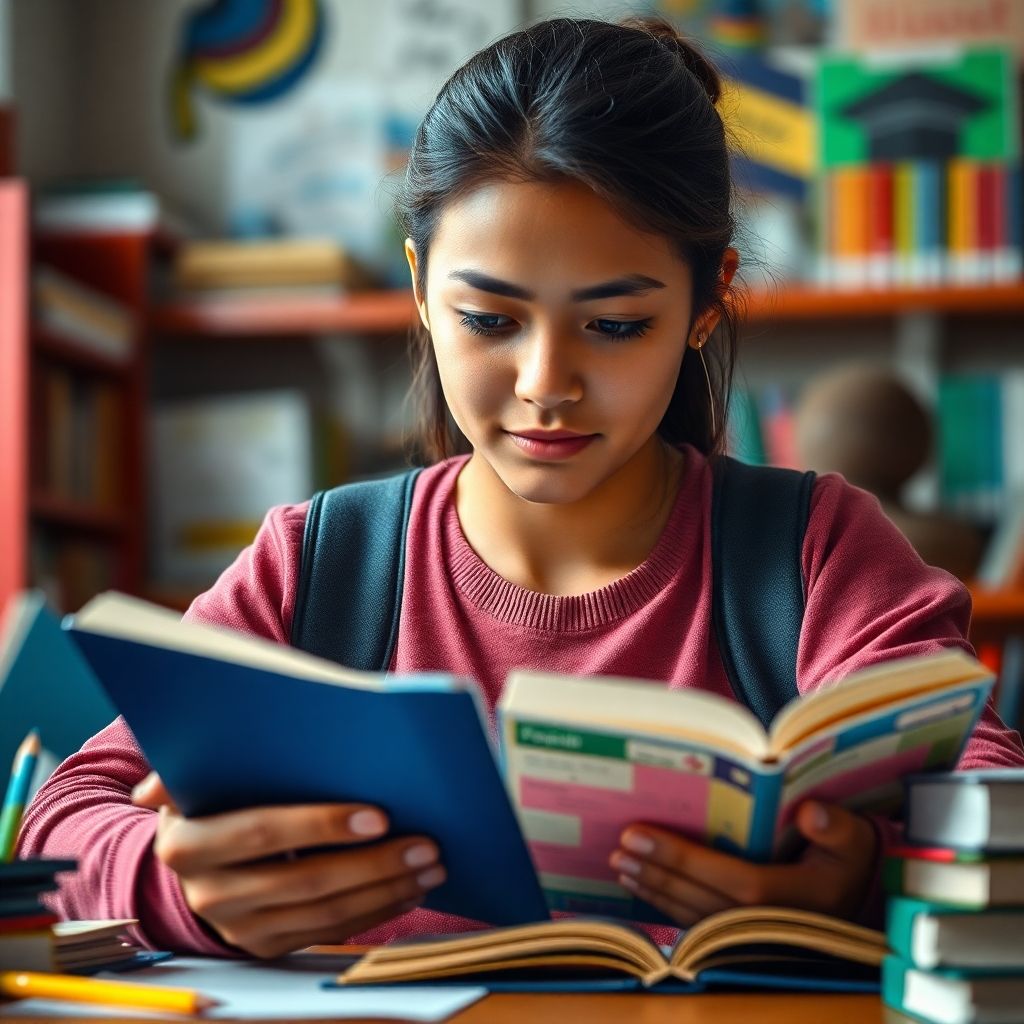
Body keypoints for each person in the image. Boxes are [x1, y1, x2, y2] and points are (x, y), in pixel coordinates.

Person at [19, 15, 1024, 960]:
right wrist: (180, 887)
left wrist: (862, 883)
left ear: (707, 305)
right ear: (419, 289)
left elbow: (991, 802)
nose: (546, 383)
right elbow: (65, 822)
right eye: (489, 319)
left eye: (616, 324)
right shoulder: (318, 564)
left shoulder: (812, 551)